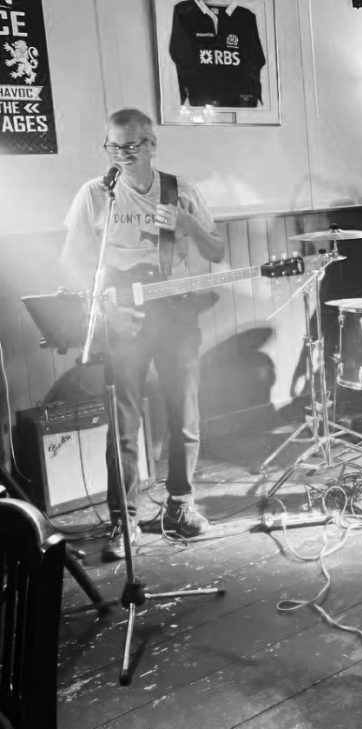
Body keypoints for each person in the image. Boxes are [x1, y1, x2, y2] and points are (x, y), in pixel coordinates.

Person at [61, 108, 224, 561]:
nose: (121, 154)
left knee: (184, 412)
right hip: (123, 316)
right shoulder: (96, 194)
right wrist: (104, 307)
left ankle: (181, 506)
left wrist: (188, 225)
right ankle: (125, 519)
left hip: (176, 312)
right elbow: (72, 261)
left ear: (152, 144)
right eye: (113, 146)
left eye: (131, 146)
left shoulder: (180, 190)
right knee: (125, 422)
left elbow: (216, 249)